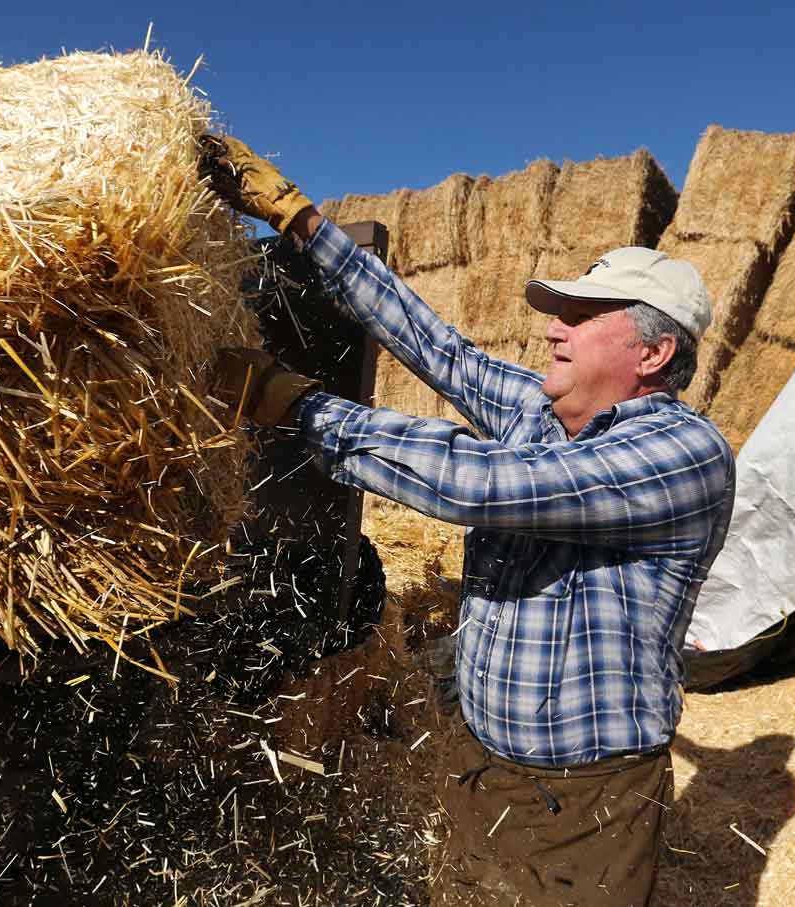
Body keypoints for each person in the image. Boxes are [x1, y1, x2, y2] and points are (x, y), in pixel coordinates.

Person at [203, 136, 736, 906]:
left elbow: (484, 484)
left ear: (651, 354)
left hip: (587, 803)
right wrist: (301, 221)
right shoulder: (541, 413)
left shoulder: (683, 454)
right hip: (479, 762)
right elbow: (436, 347)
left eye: (580, 315)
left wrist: (297, 403)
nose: (554, 327)